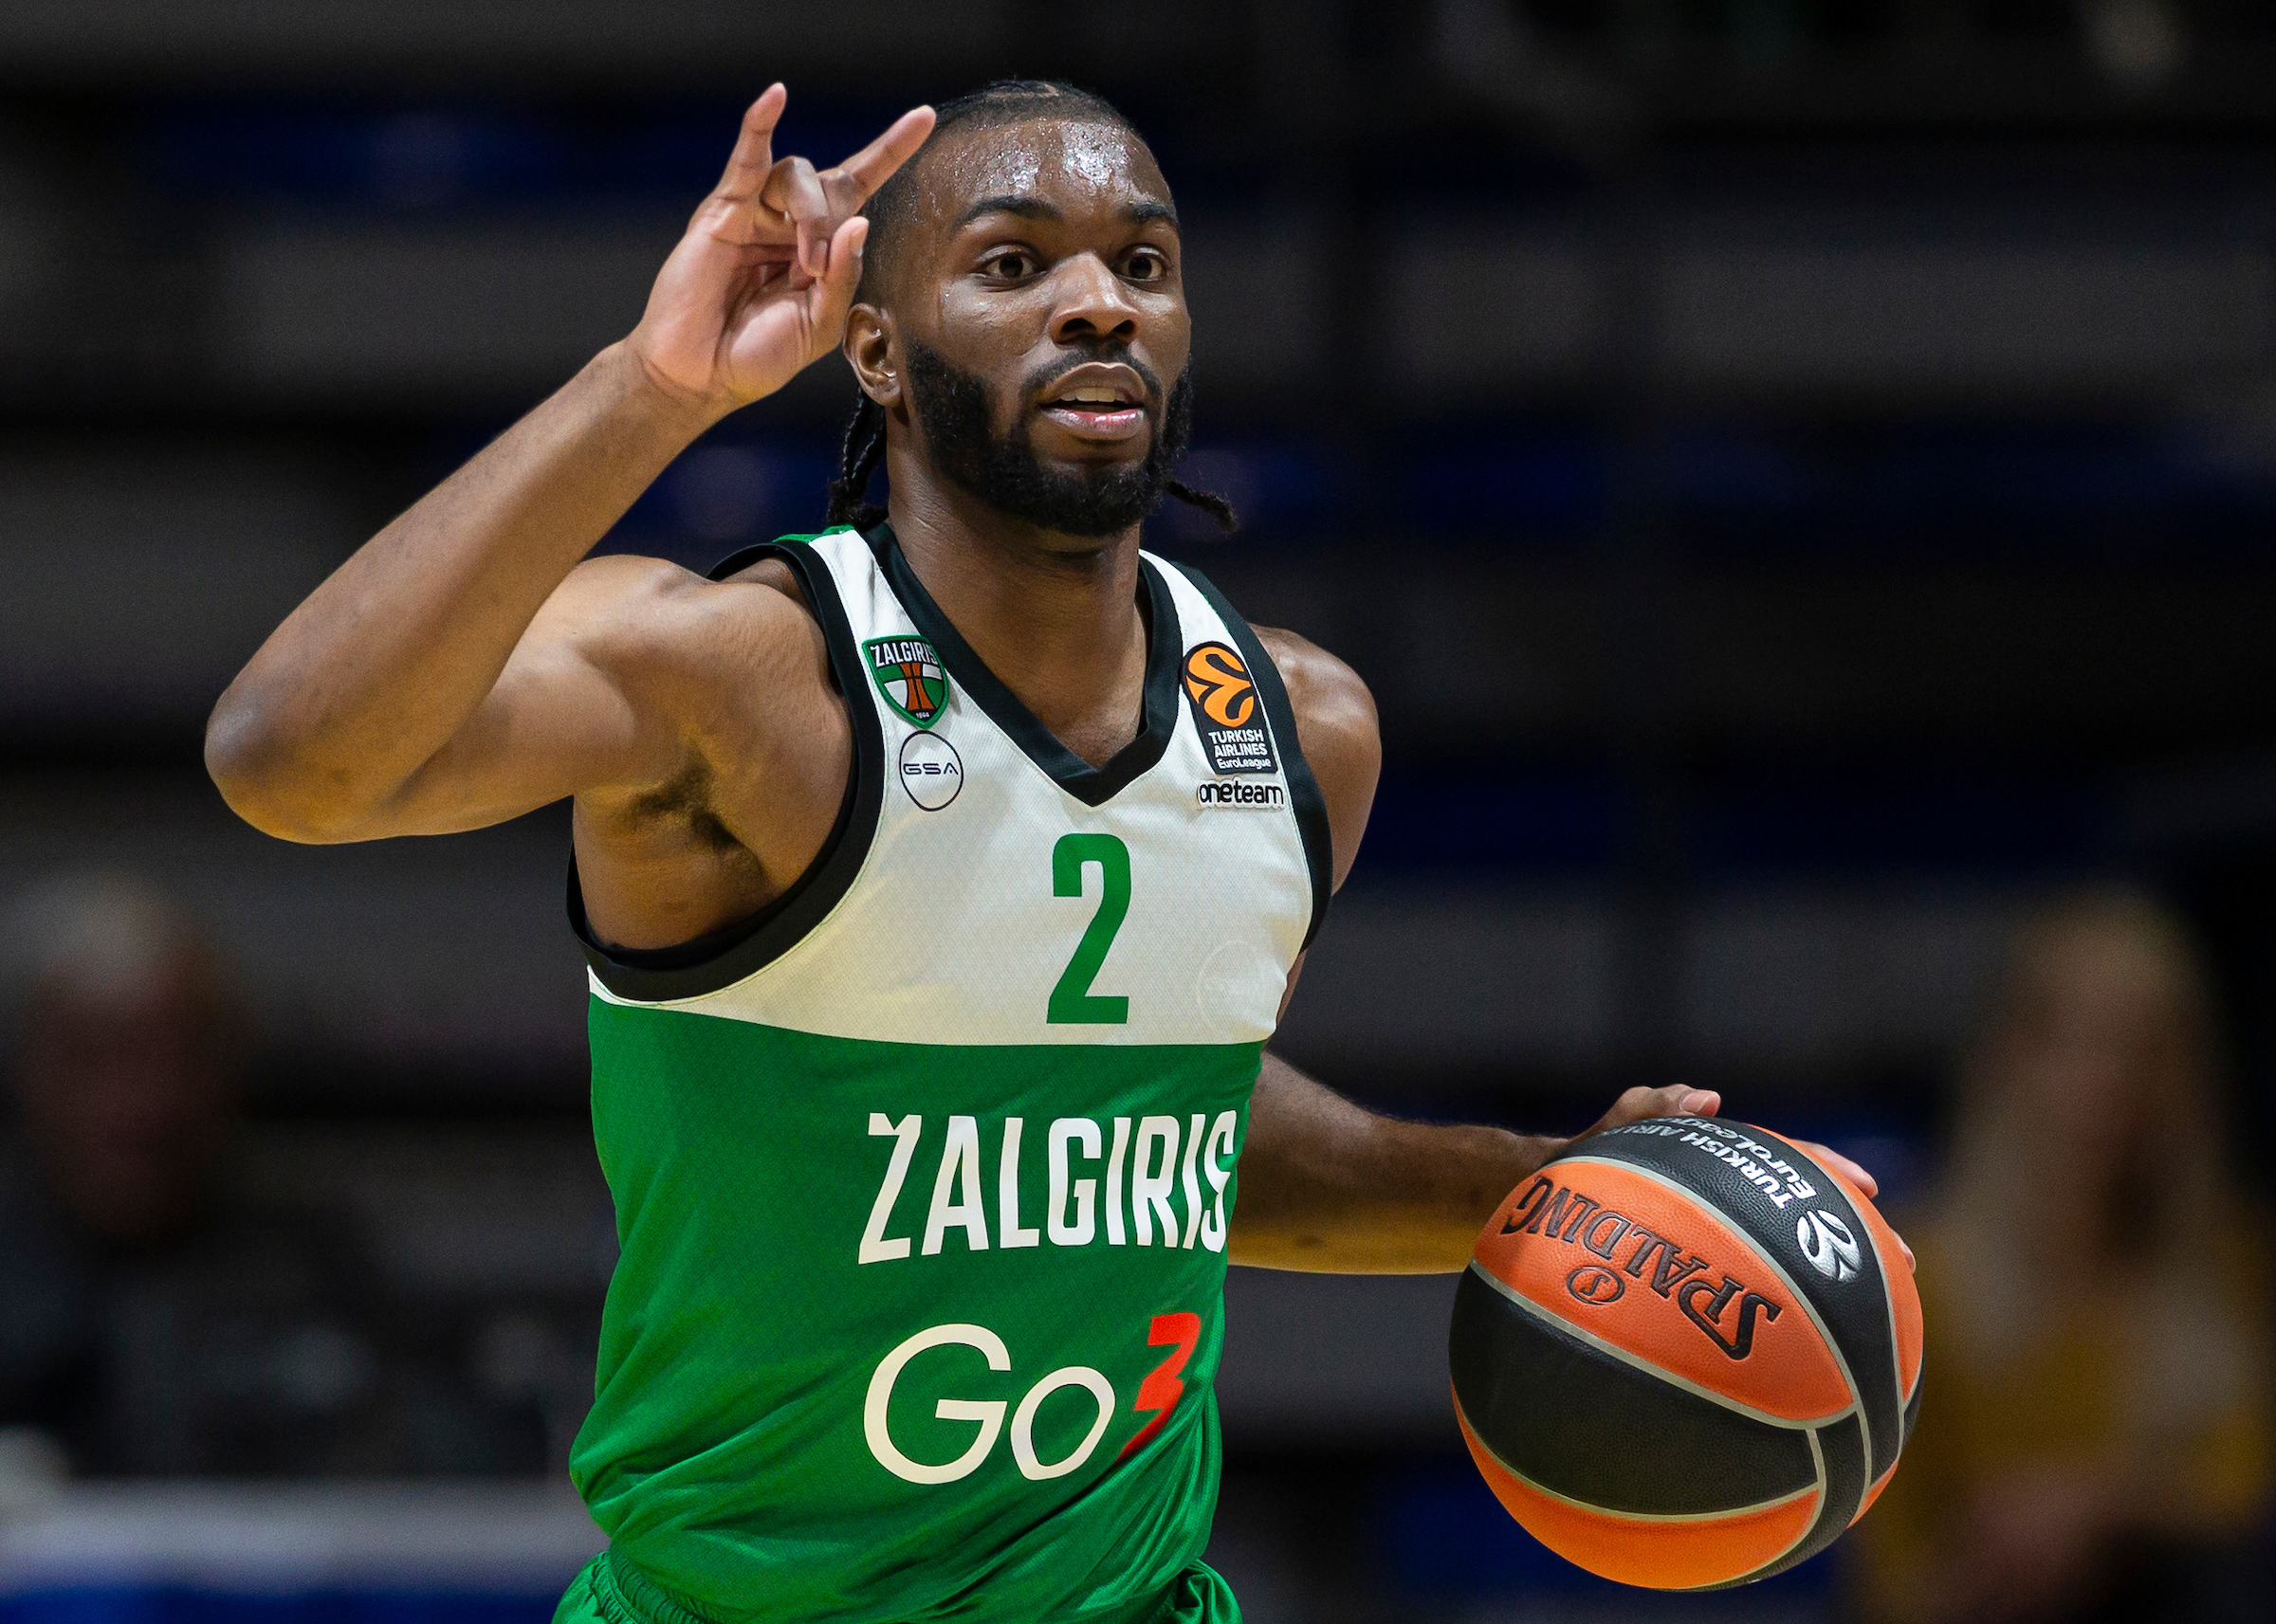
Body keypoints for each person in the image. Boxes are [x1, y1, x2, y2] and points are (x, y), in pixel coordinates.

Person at [205, 80, 1886, 1624]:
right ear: (873, 350)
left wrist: (1546, 1190)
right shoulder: (741, 674)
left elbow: (1171, 1136)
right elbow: (291, 759)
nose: (1099, 301)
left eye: (1142, 262)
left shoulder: (1301, 729)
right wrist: (652, 394)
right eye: (1012, 263)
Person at [1853, 888, 2271, 1624]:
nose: (2109, 1084)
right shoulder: (1918, 1277)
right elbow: (1892, 1575)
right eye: (2075, 1042)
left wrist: (2101, 1505)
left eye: (2146, 1048)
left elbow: (2245, 1493)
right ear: (2006, 1058)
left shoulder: (2239, 1261)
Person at [0, 874, 483, 1476]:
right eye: (102, 1055)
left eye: (185, 1054)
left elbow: (447, 1478)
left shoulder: (320, 1269)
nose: (149, 1100)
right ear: (29, 1072)